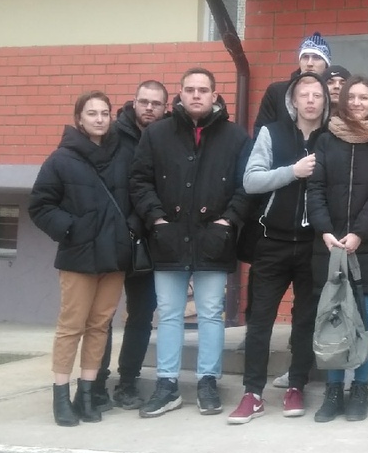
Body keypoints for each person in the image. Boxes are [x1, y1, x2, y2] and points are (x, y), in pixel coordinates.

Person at [130, 67, 250, 418]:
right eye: (190, 89)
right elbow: (139, 180)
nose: (196, 95)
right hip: (168, 238)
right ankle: (166, 385)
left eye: (203, 89)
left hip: (214, 238)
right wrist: (157, 219)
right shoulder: (157, 134)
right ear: (179, 94)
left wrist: (228, 221)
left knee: (211, 313)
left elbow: (247, 185)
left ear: (215, 95)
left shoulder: (235, 137)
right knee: (169, 313)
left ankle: (208, 382)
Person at [29, 91, 133, 426]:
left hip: (114, 256)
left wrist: (128, 230)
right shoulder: (61, 159)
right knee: (71, 327)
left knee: (99, 326)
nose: (100, 119)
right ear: (79, 119)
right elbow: (40, 205)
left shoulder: (123, 155)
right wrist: (72, 229)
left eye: (104, 113)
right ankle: (61, 396)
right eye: (92, 113)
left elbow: (135, 196)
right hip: (79, 256)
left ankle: (86, 394)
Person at [230, 72, 328, 424]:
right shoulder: (271, 133)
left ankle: (296, 385)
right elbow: (251, 180)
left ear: (325, 101)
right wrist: (292, 171)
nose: (311, 100)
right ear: (293, 100)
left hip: (313, 245)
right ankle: (252, 393)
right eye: (304, 94)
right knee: (260, 321)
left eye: (317, 95)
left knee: (305, 321)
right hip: (272, 241)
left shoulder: (331, 136)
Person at [308, 75, 368, 421]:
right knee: (333, 318)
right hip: (331, 246)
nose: (358, 103)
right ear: (343, 101)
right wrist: (325, 231)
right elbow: (315, 188)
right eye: (352, 97)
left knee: (363, 322)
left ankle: (360, 390)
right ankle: (333, 392)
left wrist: (359, 233)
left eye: (364, 98)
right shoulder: (325, 140)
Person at [95, 79, 167, 410]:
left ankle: (127, 383)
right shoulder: (111, 135)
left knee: (140, 315)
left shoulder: (166, 137)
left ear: (165, 107)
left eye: (156, 103)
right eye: (144, 101)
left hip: (148, 242)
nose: (149, 108)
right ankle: (96, 383)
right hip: (112, 238)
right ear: (134, 102)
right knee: (102, 315)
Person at [255, 32, 332, 130]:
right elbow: (261, 130)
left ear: (326, 64)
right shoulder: (277, 92)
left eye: (316, 57)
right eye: (305, 57)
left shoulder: (333, 92)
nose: (309, 63)